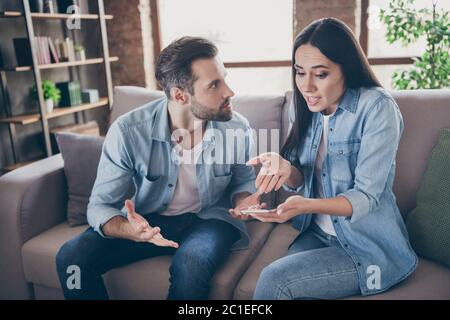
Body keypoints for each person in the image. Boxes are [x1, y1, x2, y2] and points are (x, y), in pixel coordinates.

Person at [56, 36, 263, 300]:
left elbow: (242, 182)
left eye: (224, 78)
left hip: (210, 219)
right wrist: (129, 230)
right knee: (71, 257)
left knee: (192, 265)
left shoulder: (237, 128)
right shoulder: (128, 131)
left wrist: (245, 201)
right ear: (179, 95)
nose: (229, 92)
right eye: (215, 85)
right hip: (150, 219)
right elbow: (99, 206)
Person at [245, 18, 417, 300]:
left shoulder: (376, 107)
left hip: (366, 246)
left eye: (320, 74)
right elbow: (303, 177)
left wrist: (304, 206)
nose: (307, 86)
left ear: (346, 70)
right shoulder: (304, 108)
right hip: (317, 235)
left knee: (274, 280)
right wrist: (286, 169)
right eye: (300, 73)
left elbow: (366, 196)